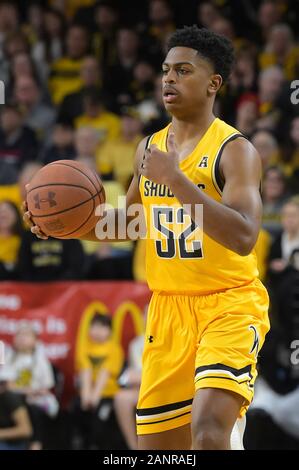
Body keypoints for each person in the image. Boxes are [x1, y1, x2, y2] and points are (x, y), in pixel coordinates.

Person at [24, 26, 270, 450]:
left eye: (183, 71)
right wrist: (63, 226)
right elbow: (131, 224)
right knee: (156, 450)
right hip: (168, 310)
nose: (169, 79)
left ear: (214, 84)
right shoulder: (149, 149)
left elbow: (245, 235)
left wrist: (176, 180)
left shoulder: (234, 150)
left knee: (209, 430)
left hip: (229, 304)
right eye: (165, 70)